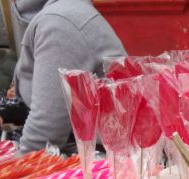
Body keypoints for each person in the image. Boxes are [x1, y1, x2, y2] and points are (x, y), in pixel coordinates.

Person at [11, 0, 126, 153]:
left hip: (105, 157)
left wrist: (18, 163)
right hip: (91, 150)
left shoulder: (59, 21)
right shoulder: (56, 14)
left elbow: (45, 133)